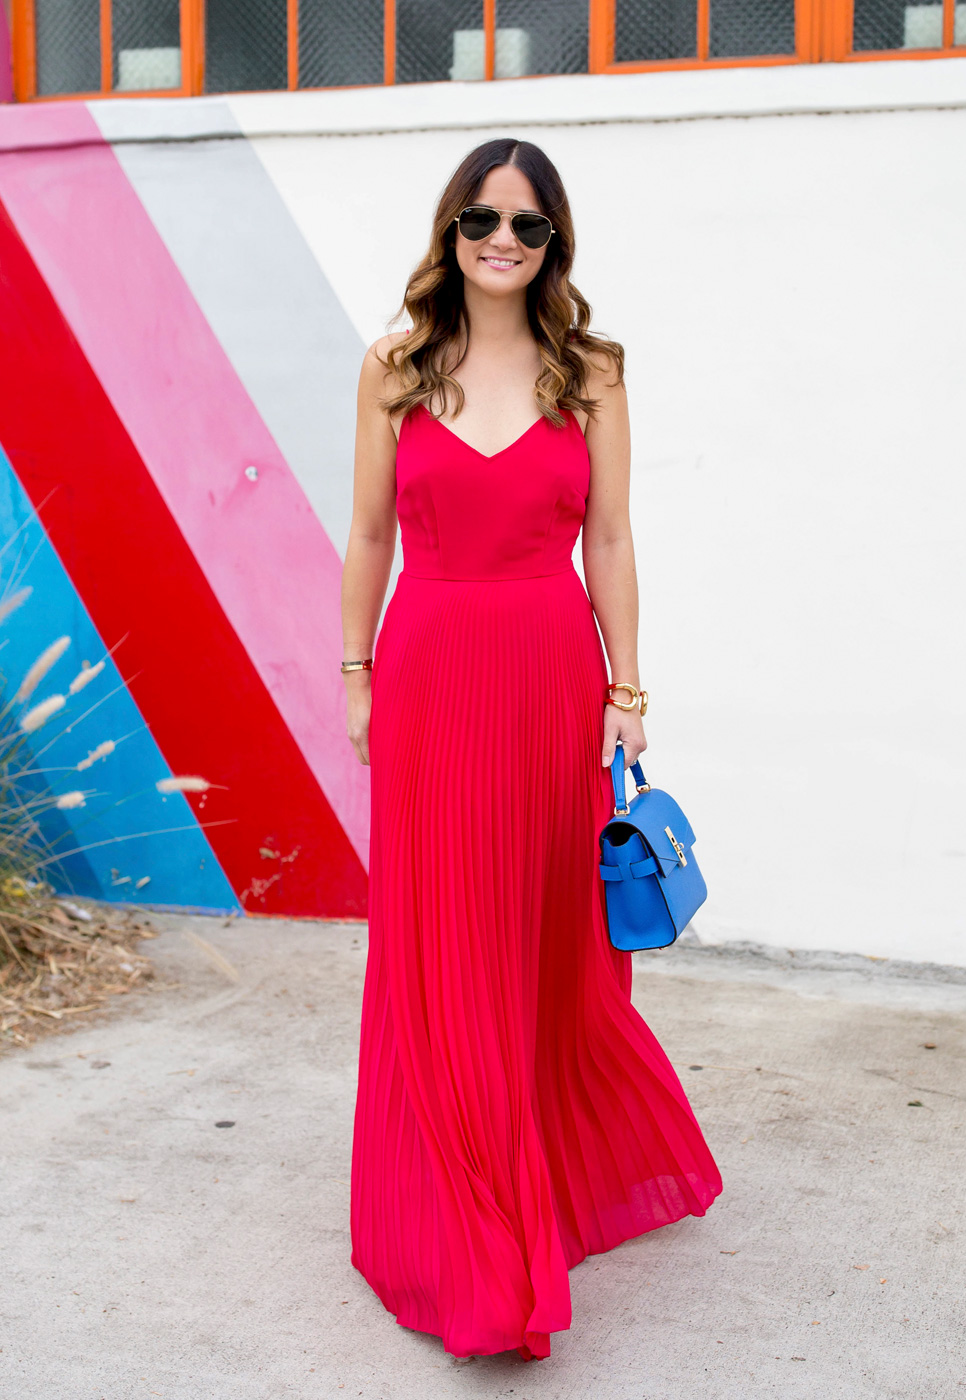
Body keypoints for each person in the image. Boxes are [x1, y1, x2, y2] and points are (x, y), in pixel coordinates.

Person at [340, 137, 722, 1362]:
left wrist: (627, 684)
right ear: (448, 228)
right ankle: (472, 1230)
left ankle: (549, 1166)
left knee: (545, 937)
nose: (502, 240)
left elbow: (609, 540)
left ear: (555, 244)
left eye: (529, 226)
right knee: (443, 943)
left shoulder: (590, 372)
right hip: (430, 678)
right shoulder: (394, 369)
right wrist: (354, 675)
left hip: (553, 681)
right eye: (481, 219)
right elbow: (365, 541)